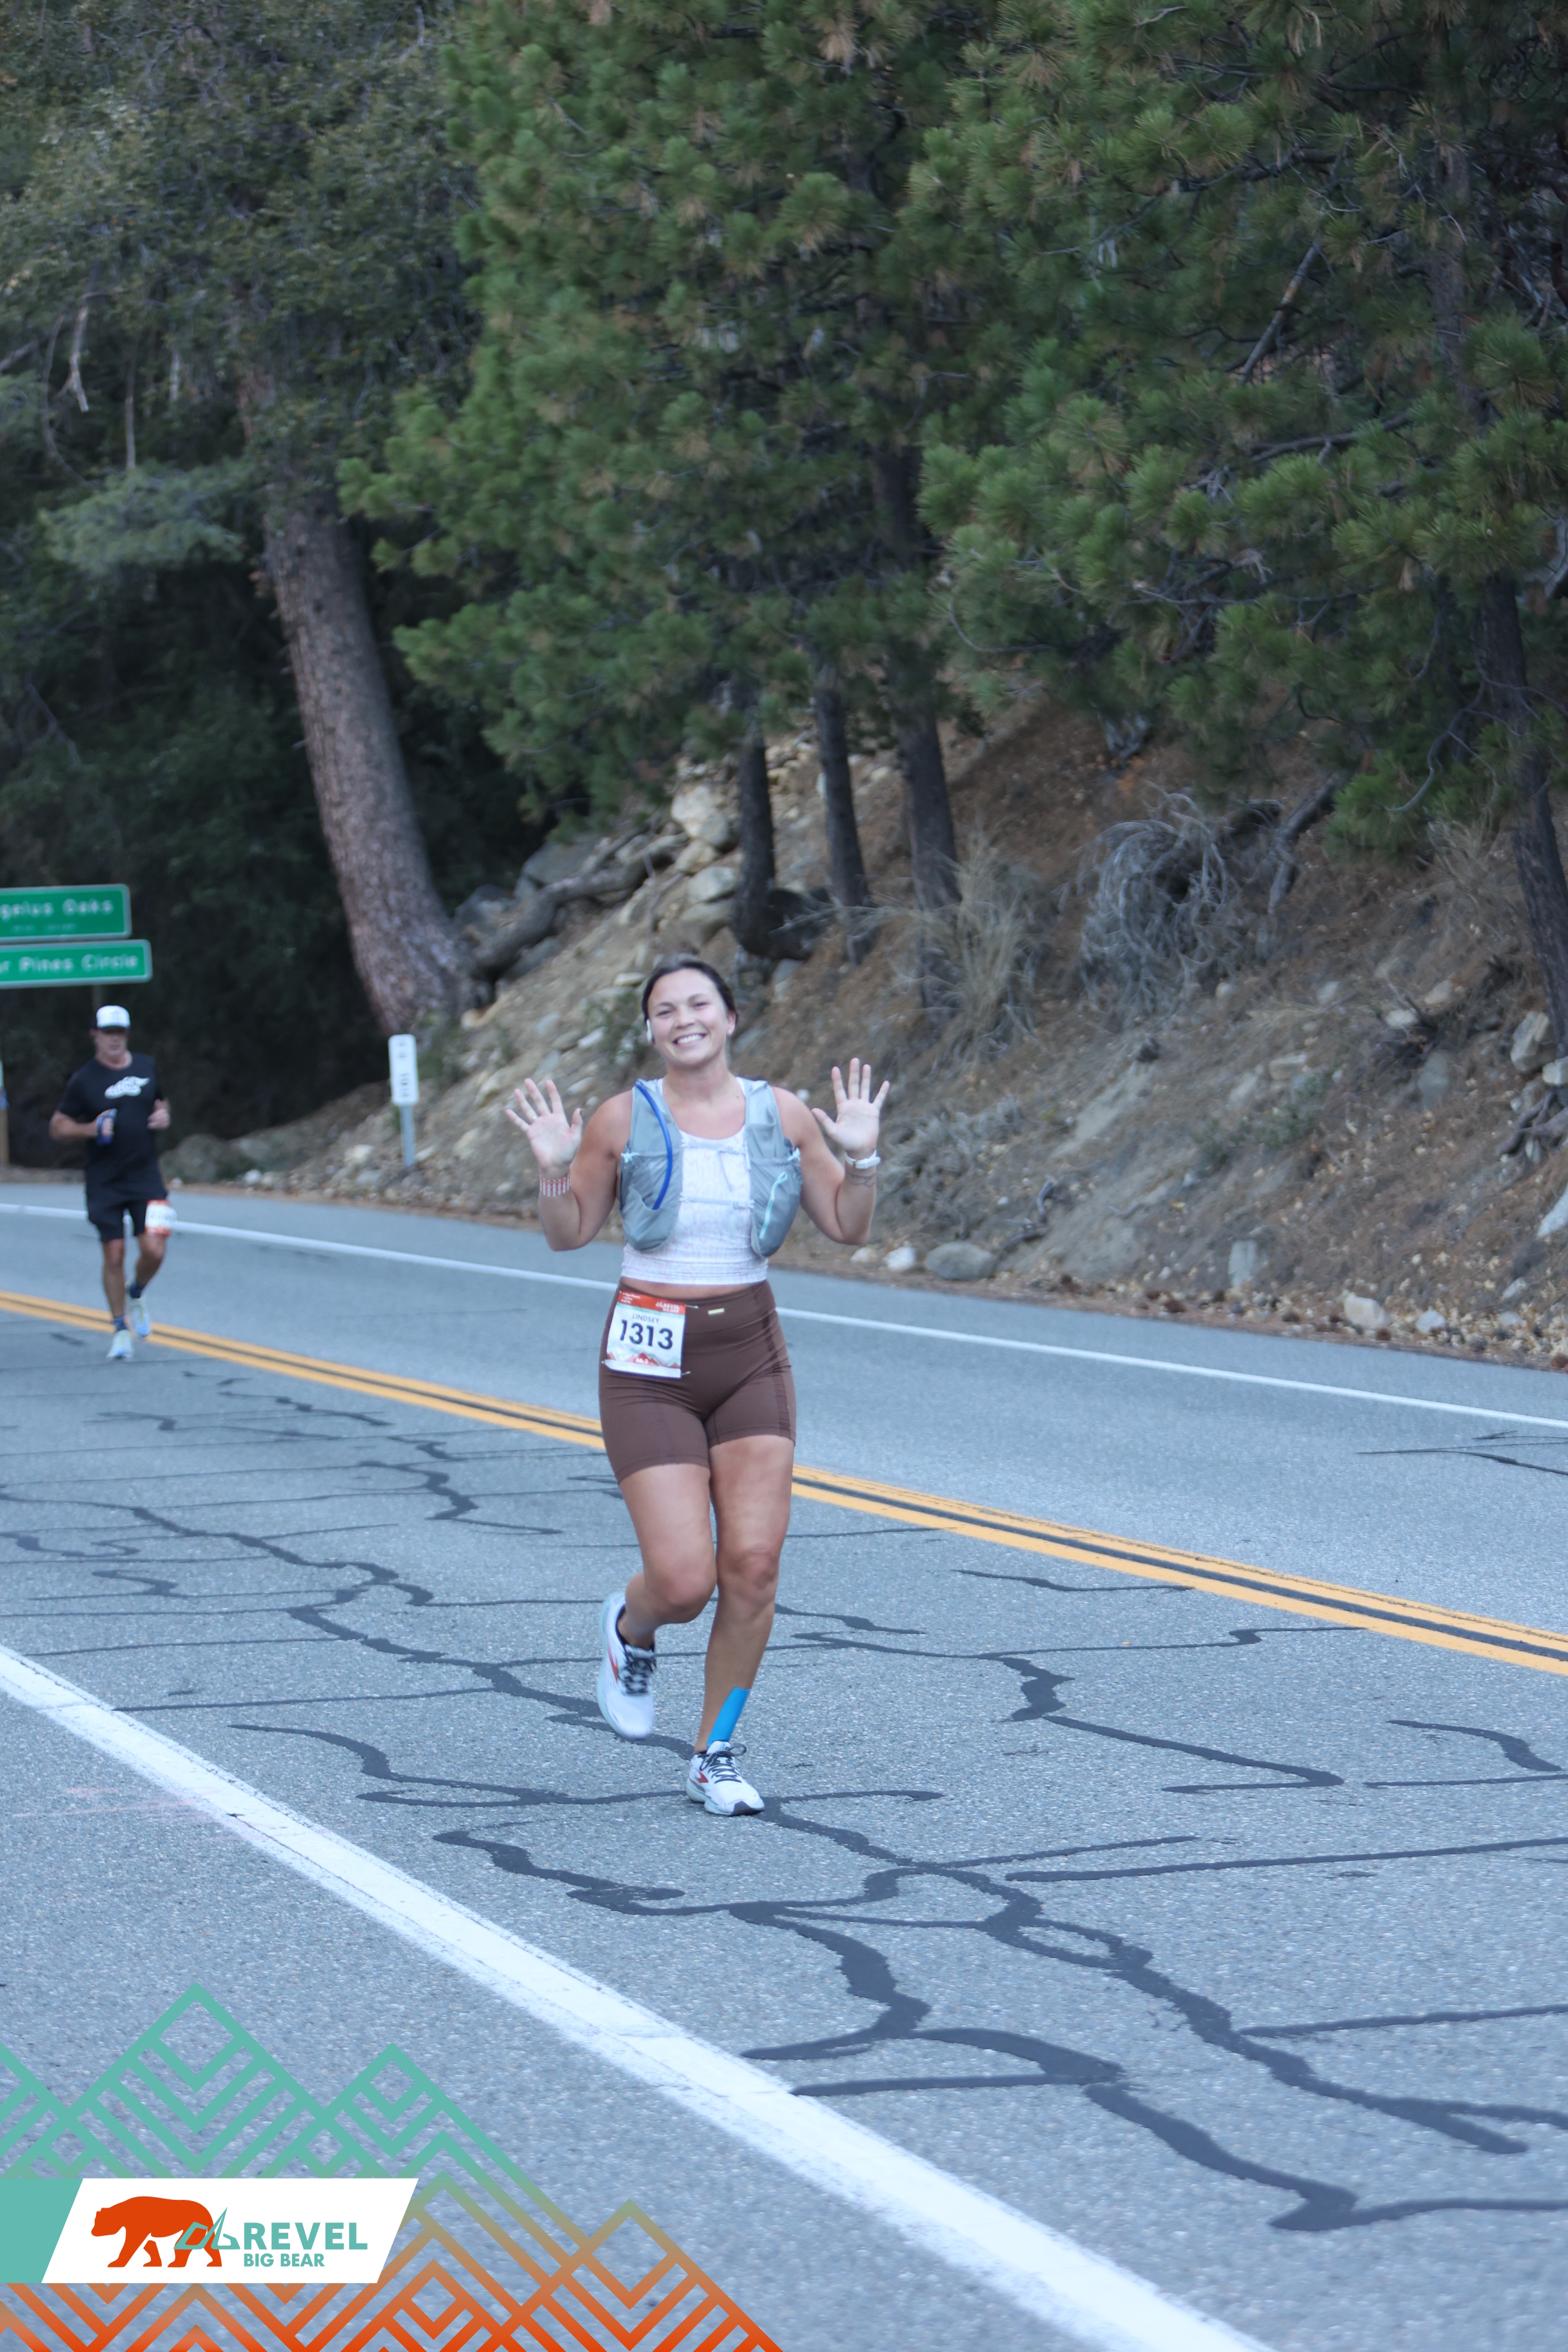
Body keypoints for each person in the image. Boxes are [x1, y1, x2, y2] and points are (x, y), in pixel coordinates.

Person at [507, 952, 885, 1816]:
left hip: (748, 1348)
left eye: (699, 1004)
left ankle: (714, 1753)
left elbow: (847, 1225)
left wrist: (862, 1160)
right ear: (651, 1031)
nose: (684, 1019)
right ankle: (631, 1627)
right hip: (648, 1363)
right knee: (683, 1581)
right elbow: (568, 1233)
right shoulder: (622, 1117)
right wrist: (554, 1169)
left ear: (729, 1017)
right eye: (666, 1010)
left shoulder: (782, 1114)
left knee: (751, 1566)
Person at [50, 1005, 173, 1360]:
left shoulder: (146, 1066)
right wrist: (89, 1129)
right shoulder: (84, 1080)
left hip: (145, 1175)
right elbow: (58, 1126)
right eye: (108, 1033)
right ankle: (120, 1330)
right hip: (105, 1180)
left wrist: (163, 1115)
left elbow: (160, 1101)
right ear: (95, 1036)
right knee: (114, 1253)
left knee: (155, 1249)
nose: (115, 1039)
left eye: (120, 1032)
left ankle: (137, 1292)